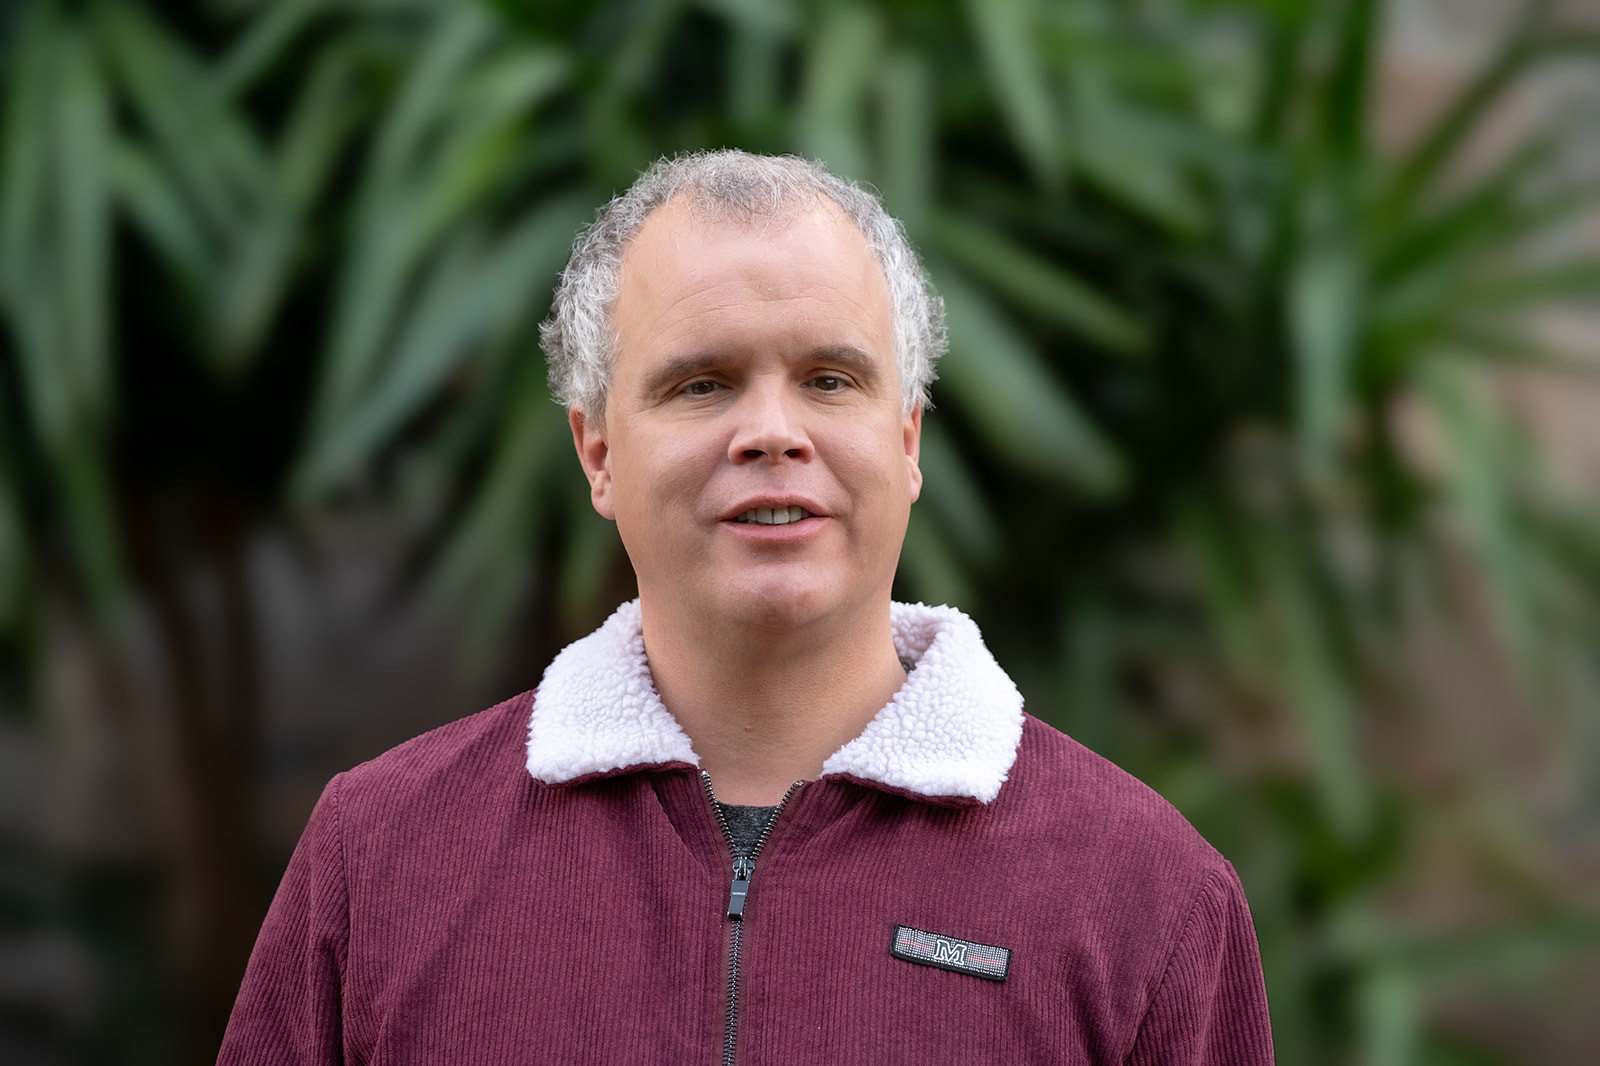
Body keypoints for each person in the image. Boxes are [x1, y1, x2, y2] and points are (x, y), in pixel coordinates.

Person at [218, 150, 1273, 1064]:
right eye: (701, 384)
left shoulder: (1147, 895)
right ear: (596, 450)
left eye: (828, 379)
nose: (772, 431)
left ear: (906, 441)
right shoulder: (383, 856)